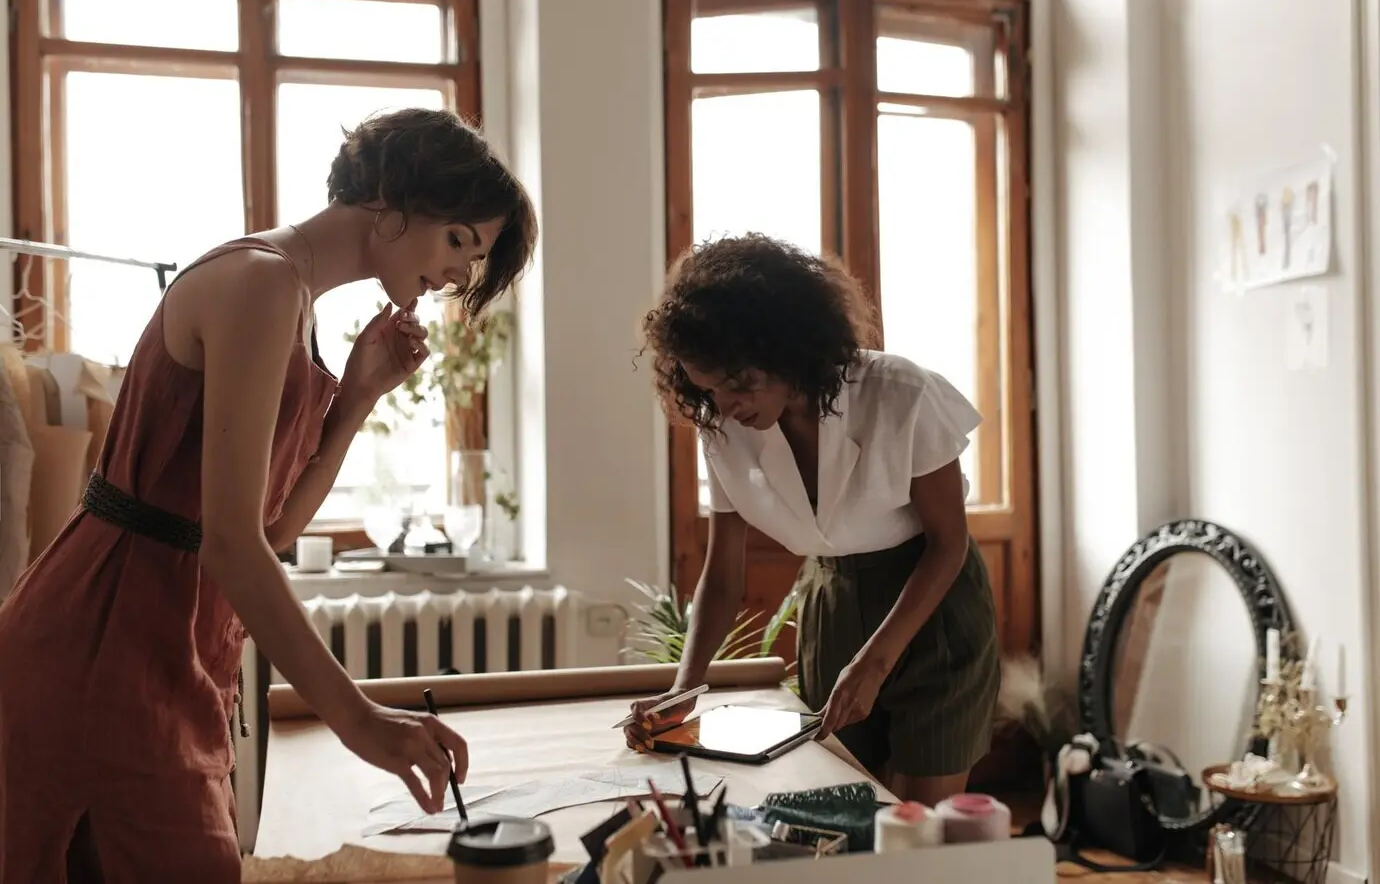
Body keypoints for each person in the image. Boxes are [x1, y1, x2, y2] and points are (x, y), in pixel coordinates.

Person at [0, 108, 537, 883]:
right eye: (459, 240)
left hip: (165, 636)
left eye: (474, 258)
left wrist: (353, 402)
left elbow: (269, 528)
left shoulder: (293, 300)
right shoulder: (260, 280)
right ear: (389, 195)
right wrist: (358, 720)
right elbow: (230, 544)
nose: (459, 275)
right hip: (103, 636)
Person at [626, 233, 999, 806]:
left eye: (735, 382)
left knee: (921, 827)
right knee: (846, 808)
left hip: (931, 608)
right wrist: (684, 688)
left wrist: (875, 662)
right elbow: (723, 574)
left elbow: (948, 544)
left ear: (783, 348)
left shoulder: (900, 394)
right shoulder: (722, 425)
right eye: (707, 389)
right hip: (832, 605)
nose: (723, 405)